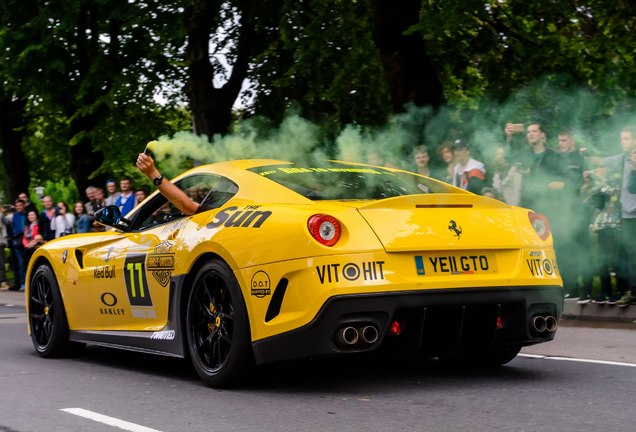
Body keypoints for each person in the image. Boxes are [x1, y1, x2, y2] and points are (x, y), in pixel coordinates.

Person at [600, 127, 636, 306]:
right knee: (631, 254)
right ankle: (633, 292)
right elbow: (601, 161)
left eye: (627, 139)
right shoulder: (622, 159)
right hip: (628, 215)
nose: (623, 142)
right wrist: (585, 154)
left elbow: (632, 188)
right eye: (622, 138)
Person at [11, 199, 27, 290]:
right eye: (17, 206)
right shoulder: (15, 216)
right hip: (18, 242)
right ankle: (22, 283)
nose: (19, 207)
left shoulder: (26, 214)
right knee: (20, 263)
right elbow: (15, 229)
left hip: (27, 241)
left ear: (23, 205)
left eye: (20, 205)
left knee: (27, 262)